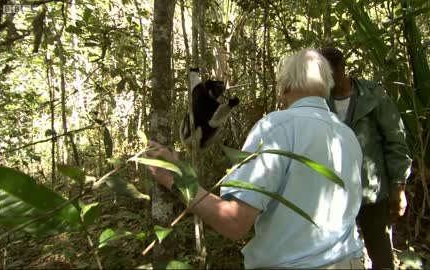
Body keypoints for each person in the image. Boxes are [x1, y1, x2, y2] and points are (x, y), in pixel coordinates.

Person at [146, 48, 365, 269]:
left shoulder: (276, 127)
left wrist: (174, 177)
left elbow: (233, 222)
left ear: (284, 87)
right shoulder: (347, 135)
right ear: (326, 87)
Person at [321, 47, 413, 269]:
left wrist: (398, 186)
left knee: (381, 255)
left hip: (372, 191)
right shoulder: (320, 102)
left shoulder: (372, 95)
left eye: (332, 72)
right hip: (334, 195)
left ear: (342, 68)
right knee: (336, 258)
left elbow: (395, 140)